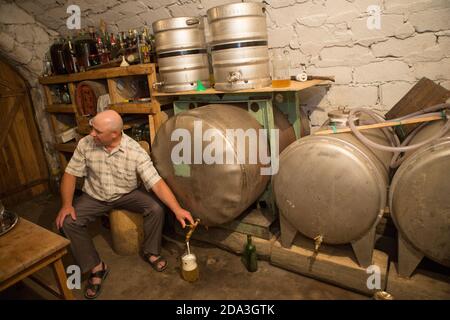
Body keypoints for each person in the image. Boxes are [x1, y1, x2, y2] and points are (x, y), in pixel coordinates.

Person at [55, 110, 194, 299]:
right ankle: (97, 267)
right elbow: (70, 174)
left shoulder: (134, 151)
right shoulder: (85, 144)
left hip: (127, 194)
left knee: (156, 208)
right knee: (67, 222)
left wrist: (177, 209)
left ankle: (151, 251)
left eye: (97, 131)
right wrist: (66, 204)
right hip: (95, 195)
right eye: (92, 129)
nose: (91, 134)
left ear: (114, 134)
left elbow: (156, 182)